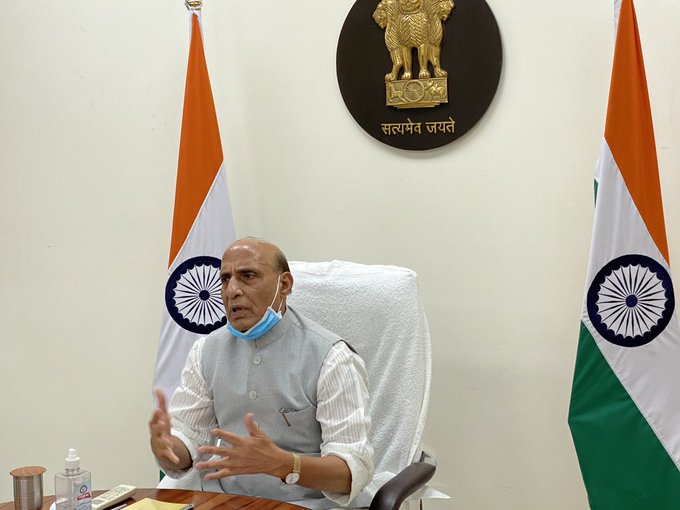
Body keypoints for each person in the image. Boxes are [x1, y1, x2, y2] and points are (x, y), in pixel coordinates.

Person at [149, 238, 374, 509]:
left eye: (248, 276)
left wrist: (284, 464)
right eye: (225, 279)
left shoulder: (332, 357)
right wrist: (167, 448)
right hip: (224, 500)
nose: (232, 291)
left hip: (304, 504)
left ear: (284, 284)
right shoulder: (205, 351)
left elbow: (350, 472)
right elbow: (188, 439)